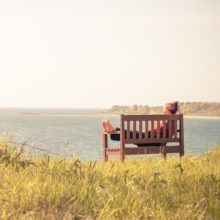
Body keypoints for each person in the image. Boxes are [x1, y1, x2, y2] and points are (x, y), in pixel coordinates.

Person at [102, 101, 180, 146]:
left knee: (131, 135)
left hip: (152, 141)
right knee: (131, 134)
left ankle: (112, 130)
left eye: (164, 110)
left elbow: (157, 130)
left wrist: (149, 130)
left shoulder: (167, 120)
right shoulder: (172, 121)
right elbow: (163, 132)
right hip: (154, 140)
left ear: (167, 111)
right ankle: (112, 130)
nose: (163, 111)